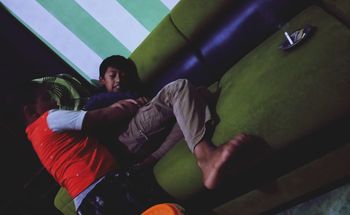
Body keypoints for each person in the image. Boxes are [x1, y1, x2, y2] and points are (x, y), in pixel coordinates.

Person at [22, 79, 253, 214]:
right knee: (180, 87)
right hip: (105, 182)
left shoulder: (36, 139)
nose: (54, 102)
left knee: (198, 97)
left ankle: (191, 154)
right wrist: (124, 106)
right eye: (46, 99)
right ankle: (206, 157)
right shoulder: (53, 117)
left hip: (98, 191)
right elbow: (101, 118)